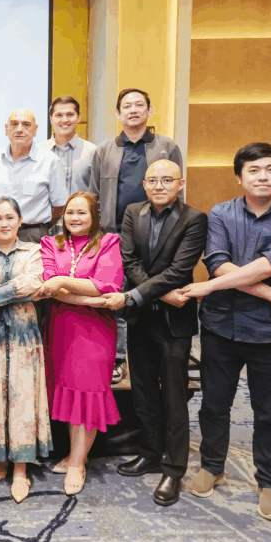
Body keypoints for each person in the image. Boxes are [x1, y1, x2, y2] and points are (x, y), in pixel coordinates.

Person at [180, 142, 271, 522]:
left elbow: (270, 264)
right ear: (239, 176)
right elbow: (218, 263)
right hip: (220, 327)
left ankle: (270, 482)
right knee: (214, 405)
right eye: (254, 170)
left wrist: (213, 285)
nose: (263, 177)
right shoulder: (221, 213)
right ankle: (212, 466)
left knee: (270, 412)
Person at [101, 160, 208, 507]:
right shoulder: (134, 212)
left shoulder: (195, 219)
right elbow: (128, 260)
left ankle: (174, 468)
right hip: (142, 317)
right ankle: (149, 453)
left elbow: (180, 270)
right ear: (145, 185)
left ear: (180, 183)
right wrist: (155, 294)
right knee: (144, 390)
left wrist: (140, 293)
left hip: (174, 322)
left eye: (167, 180)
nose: (159, 186)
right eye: (153, 180)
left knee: (174, 395)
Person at [88, 88, 185, 383]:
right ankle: (118, 358)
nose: (133, 110)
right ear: (118, 113)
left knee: (151, 294)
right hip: (114, 236)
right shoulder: (104, 150)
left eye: (139, 105)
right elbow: (93, 195)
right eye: (127, 106)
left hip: (157, 234)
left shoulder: (167, 147)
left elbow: (178, 192)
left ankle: (154, 359)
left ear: (149, 111)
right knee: (116, 297)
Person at [36, 192, 123, 495]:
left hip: (95, 332)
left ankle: (77, 464)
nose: (74, 218)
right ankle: (76, 454)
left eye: (81, 213)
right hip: (60, 330)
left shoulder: (108, 242)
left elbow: (107, 284)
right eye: (70, 212)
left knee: (88, 393)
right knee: (70, 393)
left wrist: (63, 283)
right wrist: (95, 300)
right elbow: (49, 285)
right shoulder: (51, 243)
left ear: (94, 216)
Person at [0, 197, 51, 503]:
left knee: (23, 396)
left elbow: (35, 282)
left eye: (10, 217)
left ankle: (21, 467)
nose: (4, 223)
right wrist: (18, 291)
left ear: (20, 221)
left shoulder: (34, 251)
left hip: (23, 336)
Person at [0, 109, 68, 244]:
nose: (19, 129)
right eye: (14, 124)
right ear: (6, 129)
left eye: (26, 125)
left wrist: (35, 225)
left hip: (32, 235)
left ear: (35, 130)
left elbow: (59, 206)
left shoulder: (50, 161)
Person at [39, 95, 97, 196]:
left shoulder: (93, 152)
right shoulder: (39, 152)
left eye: (70, 114)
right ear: (51, 119)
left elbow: (98, 192)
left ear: (78, 117)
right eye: (59, 115)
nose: (65, 120)